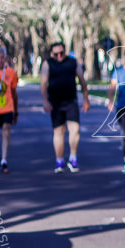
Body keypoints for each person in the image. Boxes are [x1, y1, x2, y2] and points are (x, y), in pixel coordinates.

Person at [40, 42, 91, 173]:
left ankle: (73, 158)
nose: (59, 56)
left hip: (71, 101)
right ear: (52, 54)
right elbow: (43, 83)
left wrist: (86, 99)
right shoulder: (48, 63)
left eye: (61, 53)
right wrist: (45, 101)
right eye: (56, 54)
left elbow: (82, 81)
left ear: (65, 51)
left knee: (75, 129)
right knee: (59, 131)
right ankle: (59, 160)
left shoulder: (72, 62)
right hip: (55, 102)